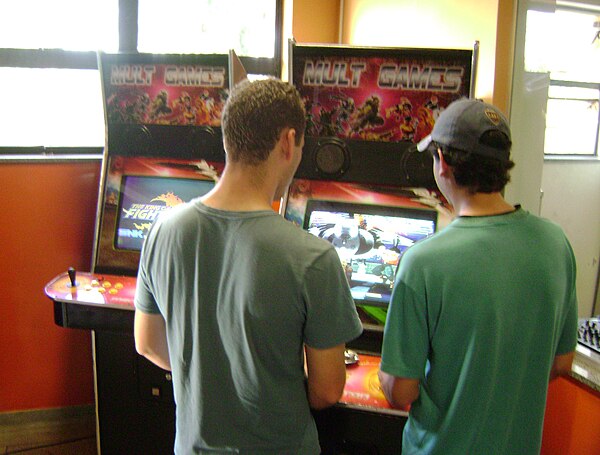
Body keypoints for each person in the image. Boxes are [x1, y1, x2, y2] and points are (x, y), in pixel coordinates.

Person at [134, 78, 363, 454]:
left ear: (227, 139)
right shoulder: (314, 258)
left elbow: (148, 343)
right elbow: (326, 391)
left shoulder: (163, 230)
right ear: (288, 142)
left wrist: (213, 380)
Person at [378, 98, 578, 454]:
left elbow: (400, 391)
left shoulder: (423, 262)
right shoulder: (555, 243)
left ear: (443, 164)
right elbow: (561, 362)